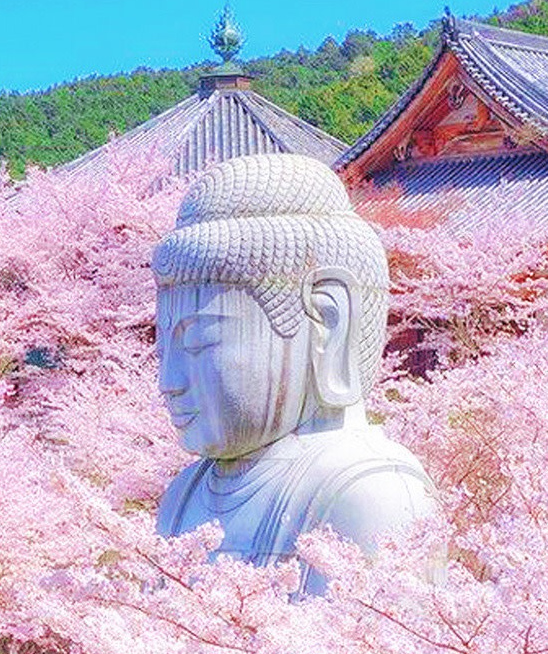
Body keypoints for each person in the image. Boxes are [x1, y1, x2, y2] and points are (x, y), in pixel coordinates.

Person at [152, 154, 435, 593]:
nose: (169, 382)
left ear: (326, 323)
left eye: (198, 343)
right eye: (164, 345)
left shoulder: (368, 491)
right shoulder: (184, 493)